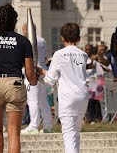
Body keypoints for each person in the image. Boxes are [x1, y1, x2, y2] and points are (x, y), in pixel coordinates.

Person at [0, 3, 37, 153]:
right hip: (14, 83)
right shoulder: (22, 41)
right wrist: (33, 81)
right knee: (14, 133)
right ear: (14, 21)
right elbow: (29, 72)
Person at [36, 23, 89, 153]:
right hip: (83, 96)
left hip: (68, 97)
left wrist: (40, 74)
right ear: (78, 38)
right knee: (76, 132)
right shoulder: (83, 55)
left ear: (62, 38)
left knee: (69, 134)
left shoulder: (59, 54)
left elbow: (50, 80)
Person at [21, 23, 53, 134]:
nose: (23, 33)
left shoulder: (28, 40)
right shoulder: (42, 40)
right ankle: (48, 125)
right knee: (43, 101)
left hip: (32, 72)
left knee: (32, 100)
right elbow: (43, 57)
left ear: (26, 30)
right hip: (42, 71)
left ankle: (34, 125)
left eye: (23, 30)